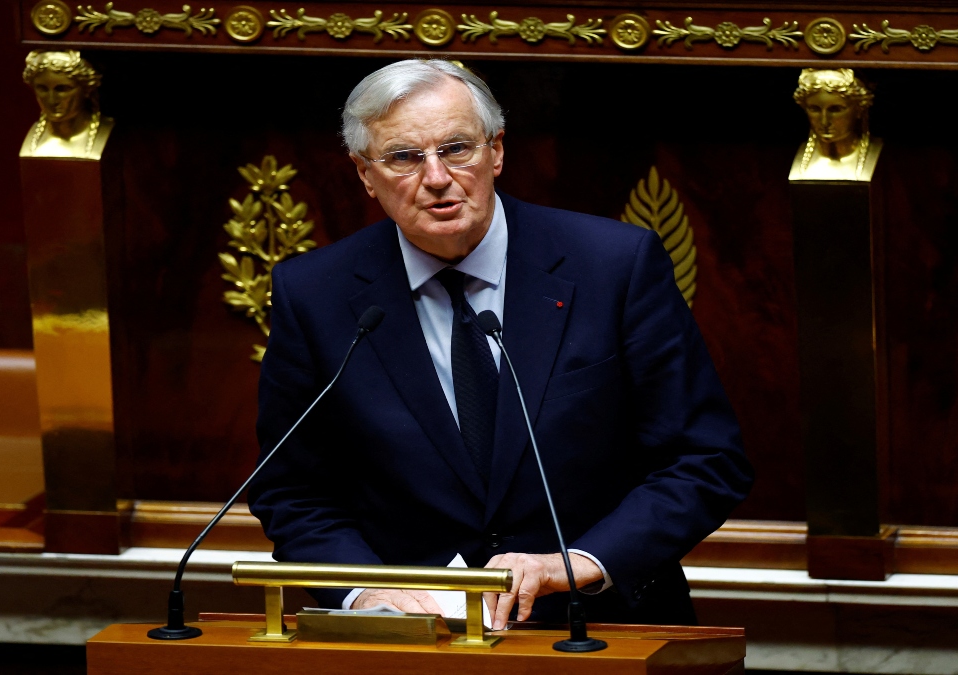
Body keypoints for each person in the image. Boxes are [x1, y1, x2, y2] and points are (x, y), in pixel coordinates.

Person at [249, 59, 753, 629]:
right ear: (365, 175)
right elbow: (293, 489)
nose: (436, 177)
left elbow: (705, 460)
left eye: (456, 148)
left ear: (497, 151)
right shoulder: (315, 293)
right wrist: (365, 589)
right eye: (403, 158)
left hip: (603, 624)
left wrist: (578, 563)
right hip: (412, 640)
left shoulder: (614, 266)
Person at [790, 68, 881, 182]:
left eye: (835, 109)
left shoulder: (887, 161)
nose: (824, 121)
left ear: (859, 110)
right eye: (814, 109)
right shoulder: (784, 159)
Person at [20, 50, 113, 159]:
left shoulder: (107, 131)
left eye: (62, 89)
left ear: (87, 89)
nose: (52, 100)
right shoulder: (33, 140)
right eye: (43, 89)